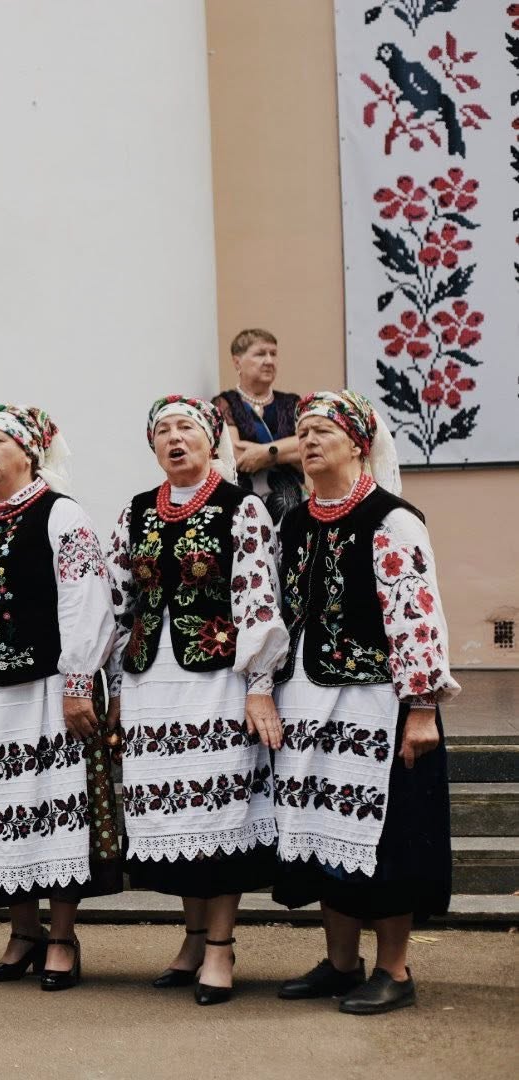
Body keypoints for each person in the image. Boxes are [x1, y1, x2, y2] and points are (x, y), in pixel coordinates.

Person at [271, 391, 458, 1015]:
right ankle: (341, 963)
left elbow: (417, 615)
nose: (308, 441)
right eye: (302, 432)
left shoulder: (392, 519)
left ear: (357, 443)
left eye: (322, 431)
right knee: (326, 829)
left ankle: (394, 970)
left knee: (387, 836)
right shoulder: (294, 524)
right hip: (307, 699)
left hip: (376, 702)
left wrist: (422, 707)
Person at [107, 396, 287, 1005]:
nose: (174, 438)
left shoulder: (242, 508)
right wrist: (115, 687)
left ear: (212, 439)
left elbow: (258, 600)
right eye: (162, 430)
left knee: (218, 814)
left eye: (186, 427)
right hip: (151, 684)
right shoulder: (136, 511)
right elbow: (119, 603)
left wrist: (259, 687)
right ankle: (191, 938)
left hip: (217, 680)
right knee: (178, 818)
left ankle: (220, 945)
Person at [0, 406, 119, 991]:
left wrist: (78, 682)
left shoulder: (61, 514)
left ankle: (62, 937)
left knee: (52, 809)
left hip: (46, 688)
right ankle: (23, 931)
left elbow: (85, 598)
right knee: (1, 813)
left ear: (29, 452)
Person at [214, 329, 304, 522]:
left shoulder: (291, 403)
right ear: (237, 362)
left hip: (293, 507)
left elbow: (306, 445)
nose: (269, 361)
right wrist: (287, 450)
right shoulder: (225, 403)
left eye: (273, 353)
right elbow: (236, 454)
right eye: (260, 353)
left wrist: (267, 452)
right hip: (244, 507)